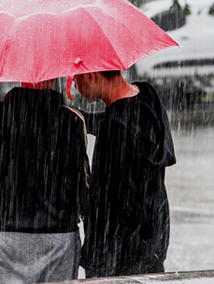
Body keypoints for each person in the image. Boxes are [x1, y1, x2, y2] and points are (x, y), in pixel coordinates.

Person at [0, 79, 89, 284]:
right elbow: (84, 193)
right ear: (54, 76)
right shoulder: (72, 120)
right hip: (59, 237)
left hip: (9, 236)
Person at [74, 70, 176, 278]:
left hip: (118, 259)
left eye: (75, 79)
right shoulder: (147, 96)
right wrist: (81, 118)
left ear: (92, 76)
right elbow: (124, 119)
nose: (75, 86)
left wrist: (96, 264)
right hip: (152, 242)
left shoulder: (114, 130)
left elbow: (107, 206)